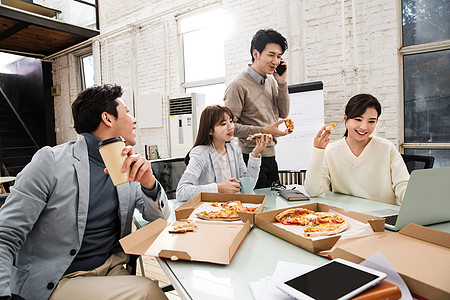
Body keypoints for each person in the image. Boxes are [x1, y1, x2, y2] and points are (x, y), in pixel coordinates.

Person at [0, 84, 170, 300]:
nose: (134, 119)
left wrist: (149, 183)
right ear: (108, 119)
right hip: (60, 278)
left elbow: (159, 219)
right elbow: (5, 234)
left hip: (112, 268)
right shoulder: (51, 162)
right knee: (149, 292)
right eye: (127, 112)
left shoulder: (125, 165)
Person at [304, 94, 410, 205]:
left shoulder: (386, 148)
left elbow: (403, 186)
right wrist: (318, 151)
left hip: (383, 217)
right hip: (347, 216)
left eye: (371, 121)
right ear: (345, 119)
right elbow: (313, 190)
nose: (364, 127)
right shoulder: (332, 151)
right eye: (358, 119)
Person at [224, 28, 290, 189]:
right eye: (271, 55)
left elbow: (284, 112)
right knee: (256, 209)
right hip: (249, 158)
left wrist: (282, 83)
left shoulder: (271, 82)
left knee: (274, 206)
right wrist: (265, 130)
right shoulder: (237, 86)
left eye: (279, 56)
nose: (275, 61)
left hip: (271, 157)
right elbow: (230, 128)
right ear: (256, 54)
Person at [176, 105, 271, 201]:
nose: (231, 127)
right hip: (209, 210)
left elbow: (247, 186)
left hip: (233, 208)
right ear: (210, 131)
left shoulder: (235, 149)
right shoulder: (200, 153)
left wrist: (255, 153)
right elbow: (182, 192)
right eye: (223, 124)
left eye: (231, 121)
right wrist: (219, 188)